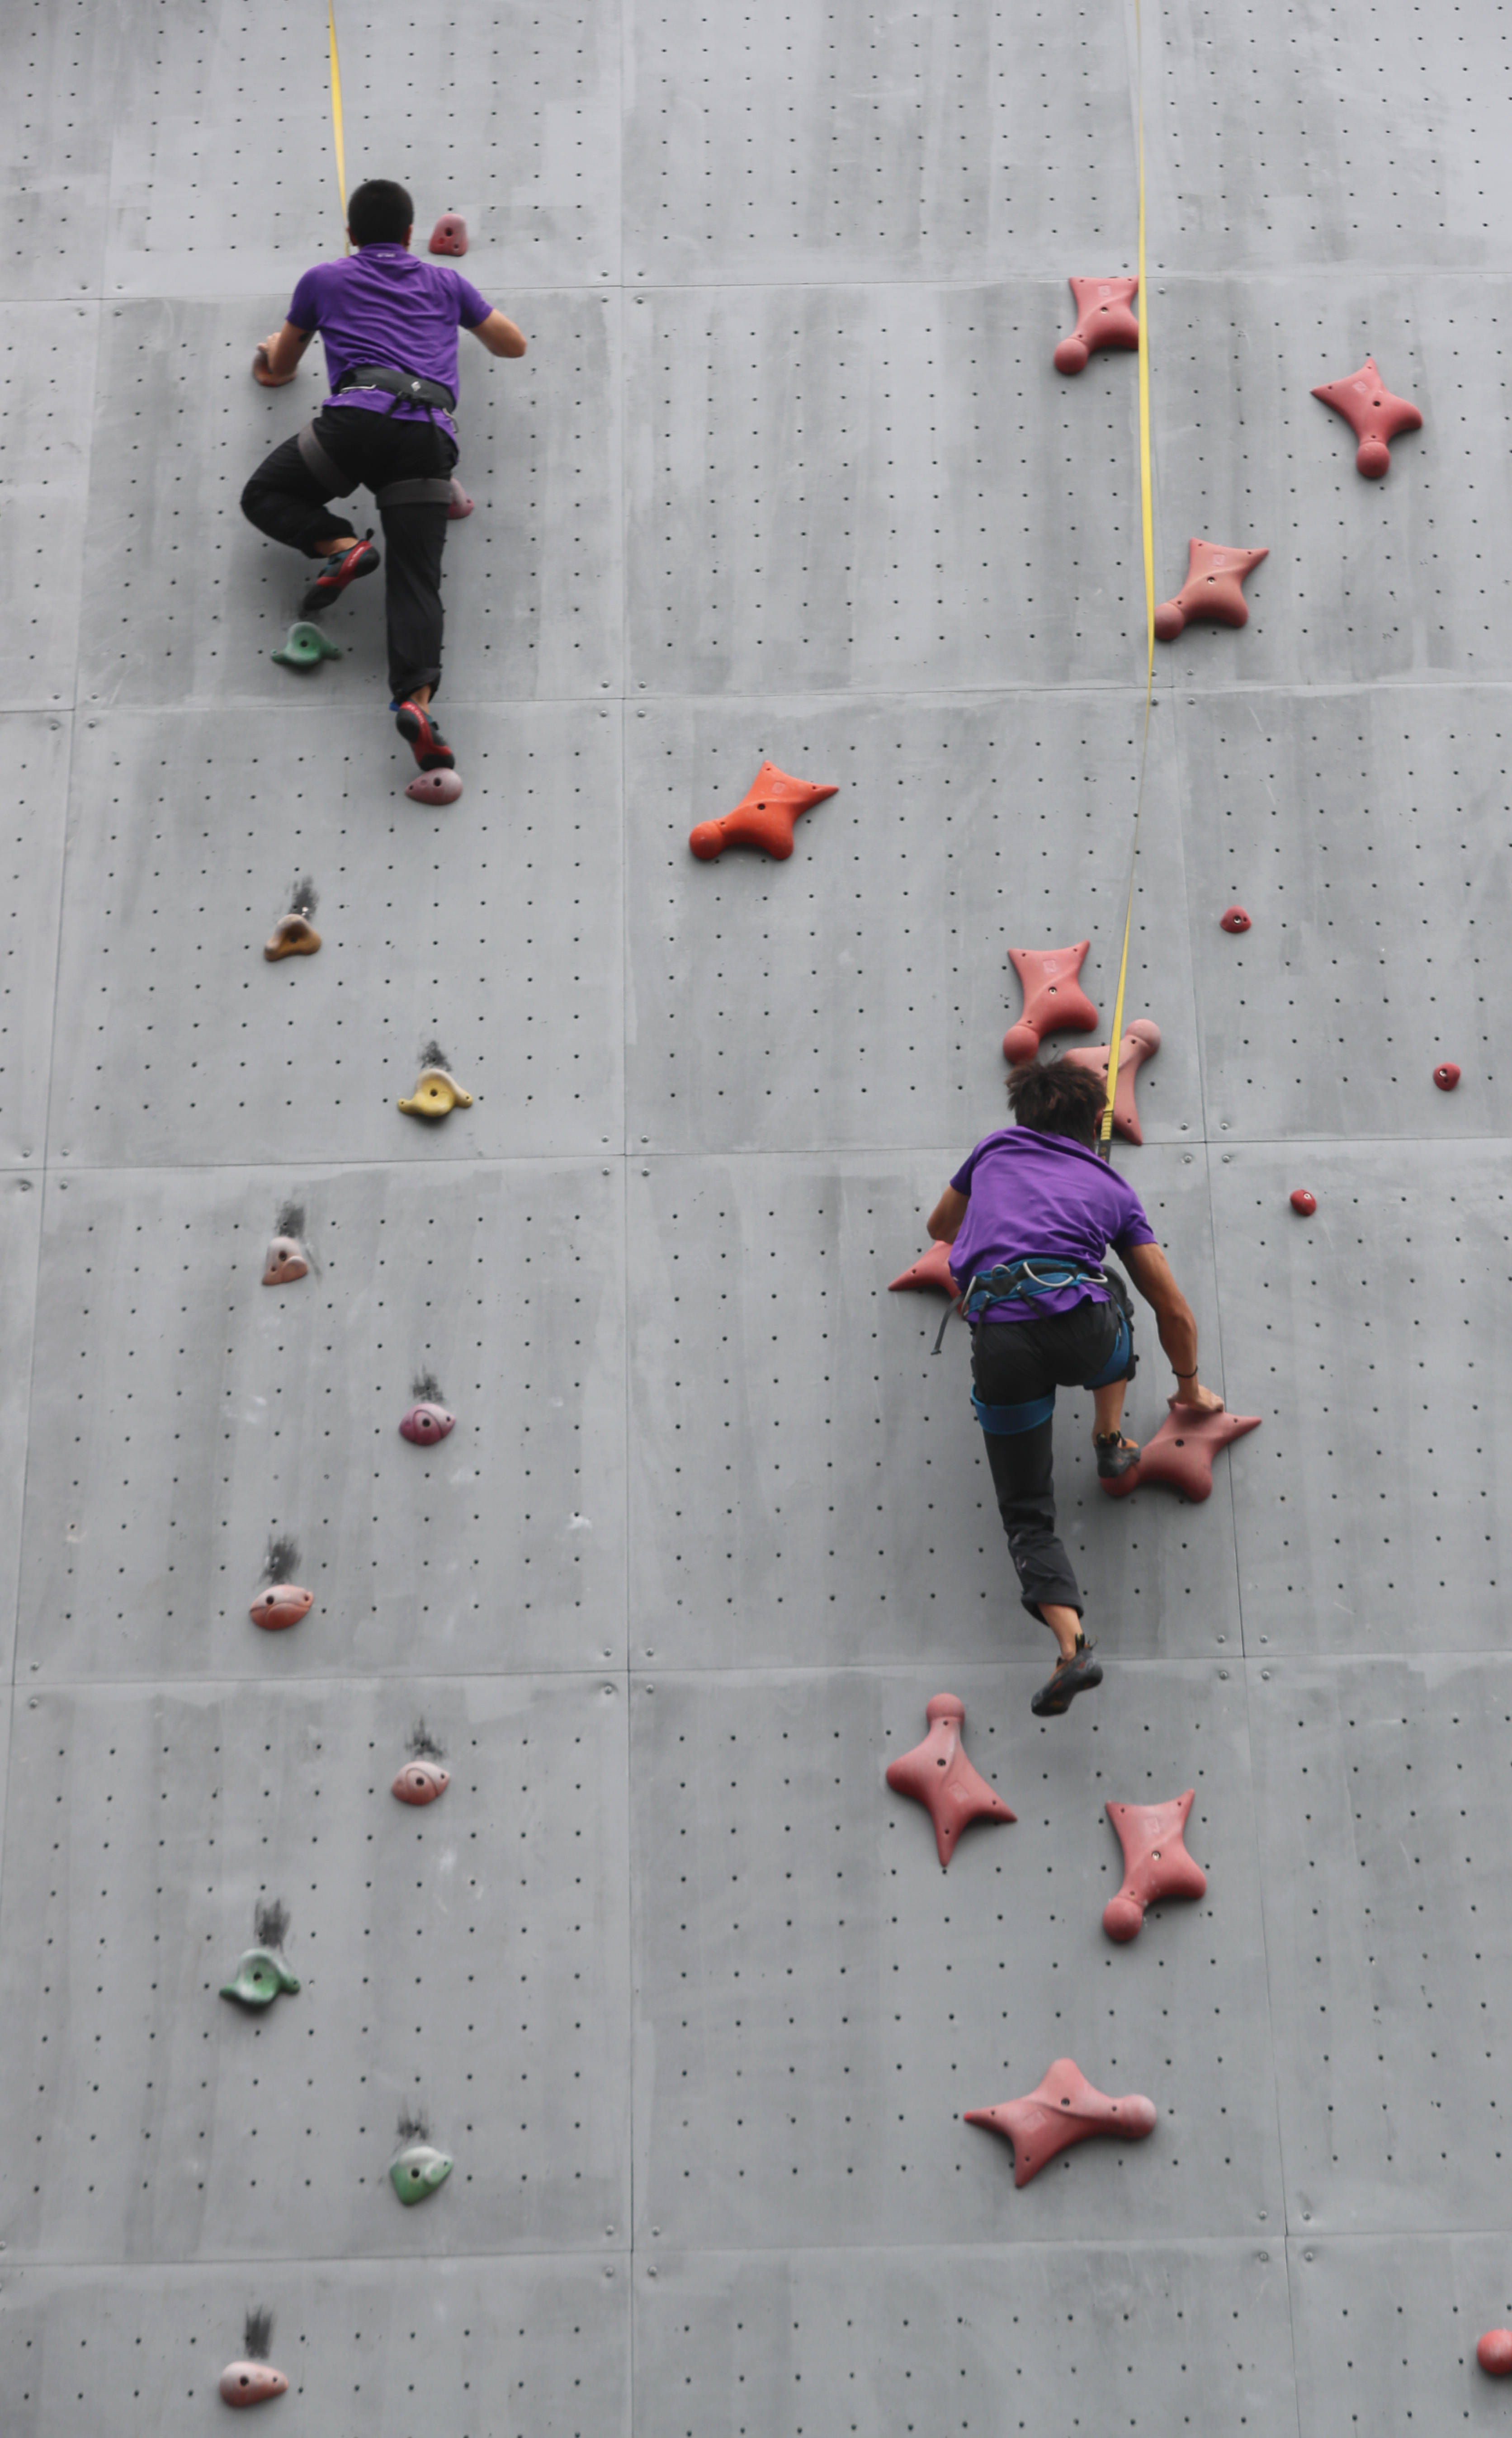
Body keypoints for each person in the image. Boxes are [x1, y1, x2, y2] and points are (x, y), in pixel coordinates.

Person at [926, 1059, 1224, 1718]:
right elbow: (1171, 1307)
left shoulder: (994, 1150)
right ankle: (1110, 1434)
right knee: (1115, 1295)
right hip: (1083, 1329)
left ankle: (1073, 1646)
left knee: (1027, 1511)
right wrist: (1190, 1390)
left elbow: (940, 1228)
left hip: (1001, 1339)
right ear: (1096, 1123)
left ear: (1024, 1115)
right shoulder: (1113, 1189)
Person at [242, 178, 526, 781]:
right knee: (417, 579)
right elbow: (512, 344)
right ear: (407, 234)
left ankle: (342, 547)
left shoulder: (324, 278)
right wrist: (456, 318)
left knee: (266, 493)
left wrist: (272, 349)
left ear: (350, 235)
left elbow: (285, 364)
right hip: (427, 435)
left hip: (356, 423)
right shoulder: (445, 281)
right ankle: (414, 704)